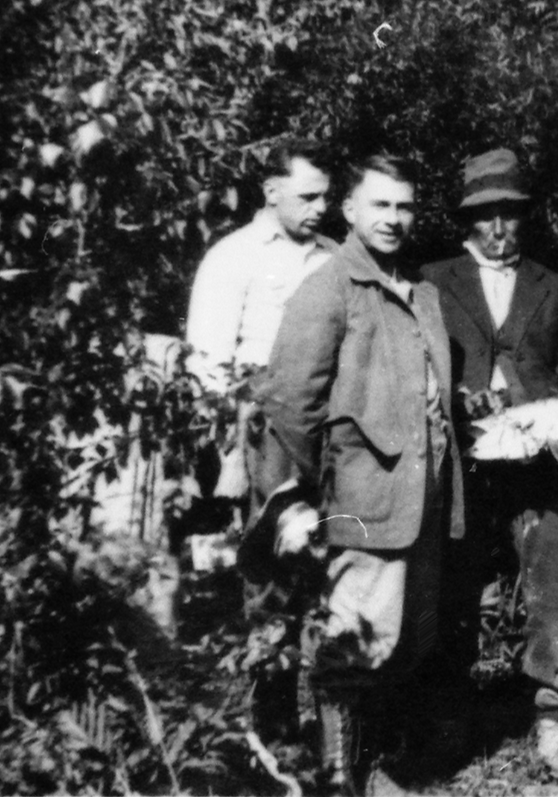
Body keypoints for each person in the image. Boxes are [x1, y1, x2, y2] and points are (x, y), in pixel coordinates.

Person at [258, 154, 464, 792]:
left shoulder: (421, 292)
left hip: (423, 498)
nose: (394, 219)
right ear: (349, 210)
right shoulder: (331, 286)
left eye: (404, 206)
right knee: (353, 644)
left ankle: (379, 765)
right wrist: (326, 485)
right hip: (361, 500)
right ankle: (339, 775)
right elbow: (291, 402)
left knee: (406, 641)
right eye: (380, 205)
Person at [420, 147, 558, 776]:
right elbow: (421, 367)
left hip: (536, 463)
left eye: (510, 215)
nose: (497, 229)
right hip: (461, 464)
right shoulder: (433, 280)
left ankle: (554, 719)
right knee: (453, 585)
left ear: (526, 218)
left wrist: (522, 397)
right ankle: (448, 718)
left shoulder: (556, 286)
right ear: (467, 219)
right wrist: (458, 397)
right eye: (485, 215)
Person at [186, 138, 334, 739]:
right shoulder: (234, 257)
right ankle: (273, 726)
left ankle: (332, 724)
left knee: (328, 564)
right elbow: (207, 361)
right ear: (270, 192)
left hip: (327, 430)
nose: (320, 207)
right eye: (307, 196)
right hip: (261, 431)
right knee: (271, 576)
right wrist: (232, 450)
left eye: (326, 196)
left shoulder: (334, 258)